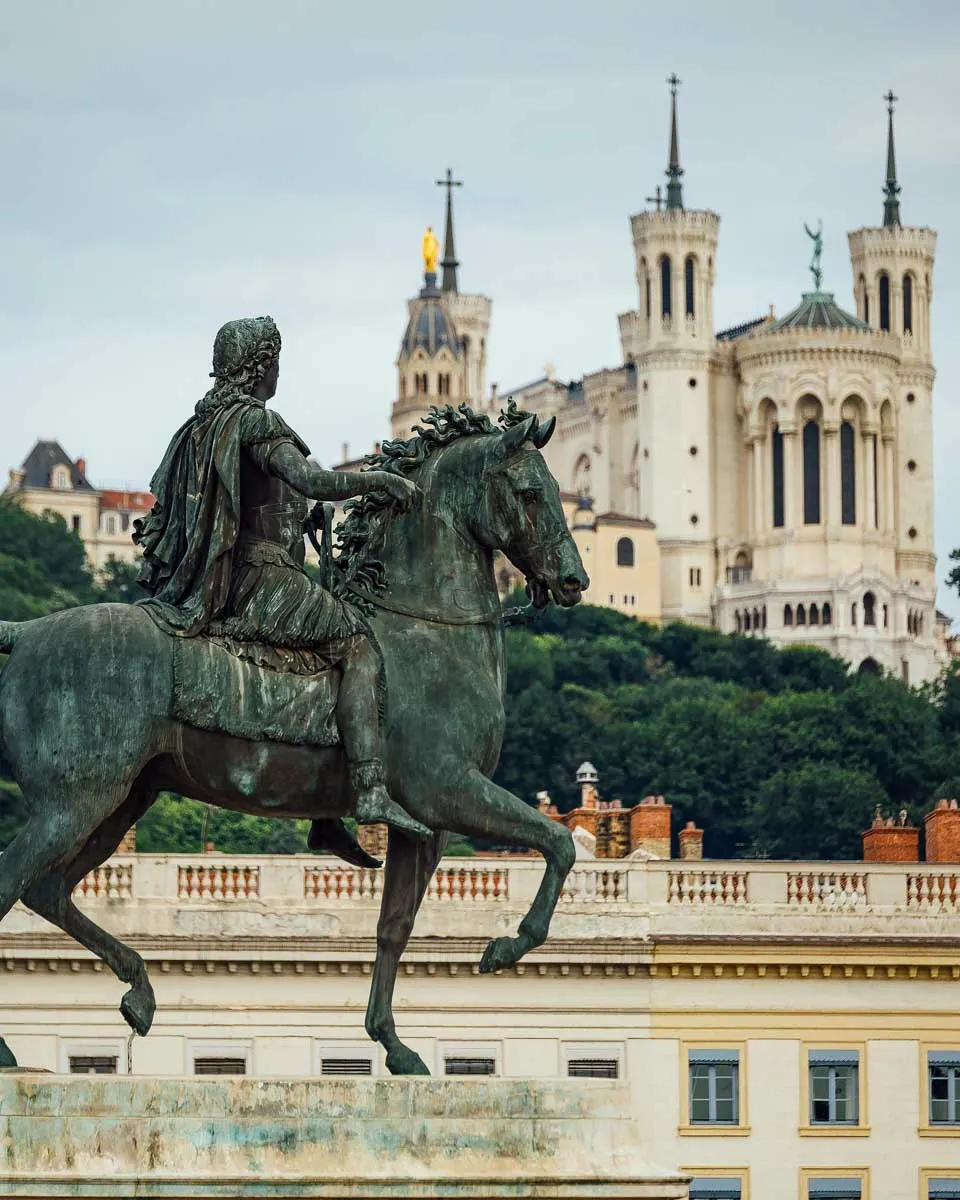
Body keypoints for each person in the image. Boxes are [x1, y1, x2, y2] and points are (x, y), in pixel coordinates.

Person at [134, 316, 429, 862]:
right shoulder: (253, 421)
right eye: (274, 360)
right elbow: (311, 479)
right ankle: (366, 789)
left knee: (319, 657)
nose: (277, 370)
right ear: (260, 365)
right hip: (261, 580)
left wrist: (299, 520)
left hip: (227, 576)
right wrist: (379, 481)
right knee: (357, 641)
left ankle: (324, 814)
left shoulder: (202, 425)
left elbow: (256, 502)